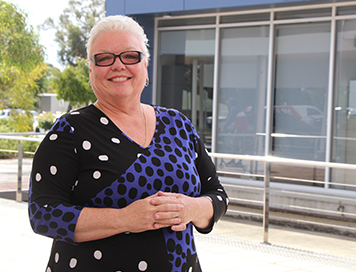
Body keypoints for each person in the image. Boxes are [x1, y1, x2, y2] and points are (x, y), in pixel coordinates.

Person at [28, 15, 228, 272]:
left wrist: (192, 208)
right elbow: (43, 214)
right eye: (104, 58)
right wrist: (124, 219)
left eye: (130, 56)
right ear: (91, 69)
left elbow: (217, 194)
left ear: (145, 64)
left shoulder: (178, 124)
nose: (118, 65)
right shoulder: (69, 131)